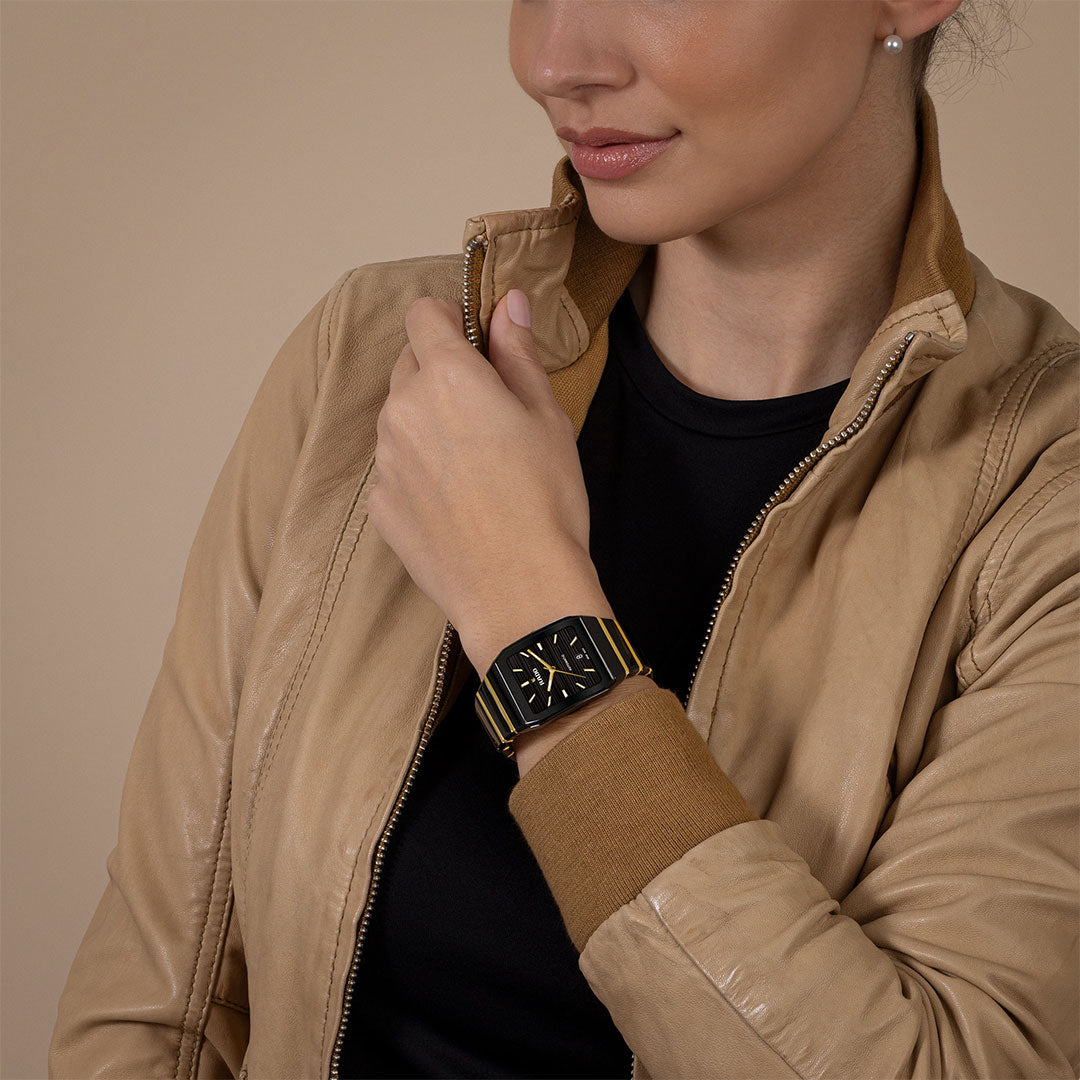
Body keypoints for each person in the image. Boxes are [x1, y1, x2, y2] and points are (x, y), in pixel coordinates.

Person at [49, 1, 1078, 1078]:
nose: (552, 61)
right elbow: (156, 1010)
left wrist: (530, 614)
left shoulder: (1046, 501)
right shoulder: (373, 364)